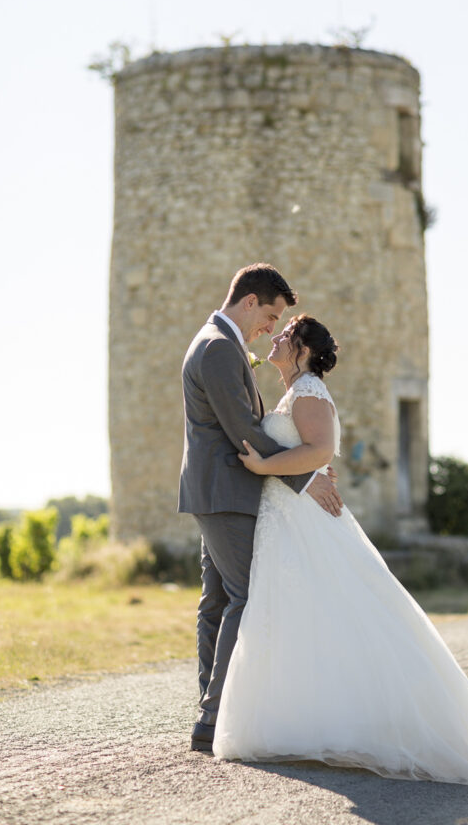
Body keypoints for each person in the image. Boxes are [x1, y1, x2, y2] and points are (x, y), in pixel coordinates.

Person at [212, 314, 468, 786]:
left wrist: (264, 467)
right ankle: (302, 720)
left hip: (304, 522)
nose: (274, 338)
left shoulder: (310, 391)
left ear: (303, 350)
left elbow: (320, 451)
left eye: (285, 334)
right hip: (287, 520)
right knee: (303, 615)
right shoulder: (292, 392)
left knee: (339, 610)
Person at [178, 265, 344, 753]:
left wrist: (302, 464)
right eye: (271, 315)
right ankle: (214, 717)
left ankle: (213, 707)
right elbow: (242, 429)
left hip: (222, 490)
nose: (272, 327)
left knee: (217, 601)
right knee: (245, 596)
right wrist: (305, 475)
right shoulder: (217, 348)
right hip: (226, 491)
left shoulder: (220, 344)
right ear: (249, 301)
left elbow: (254, 426)